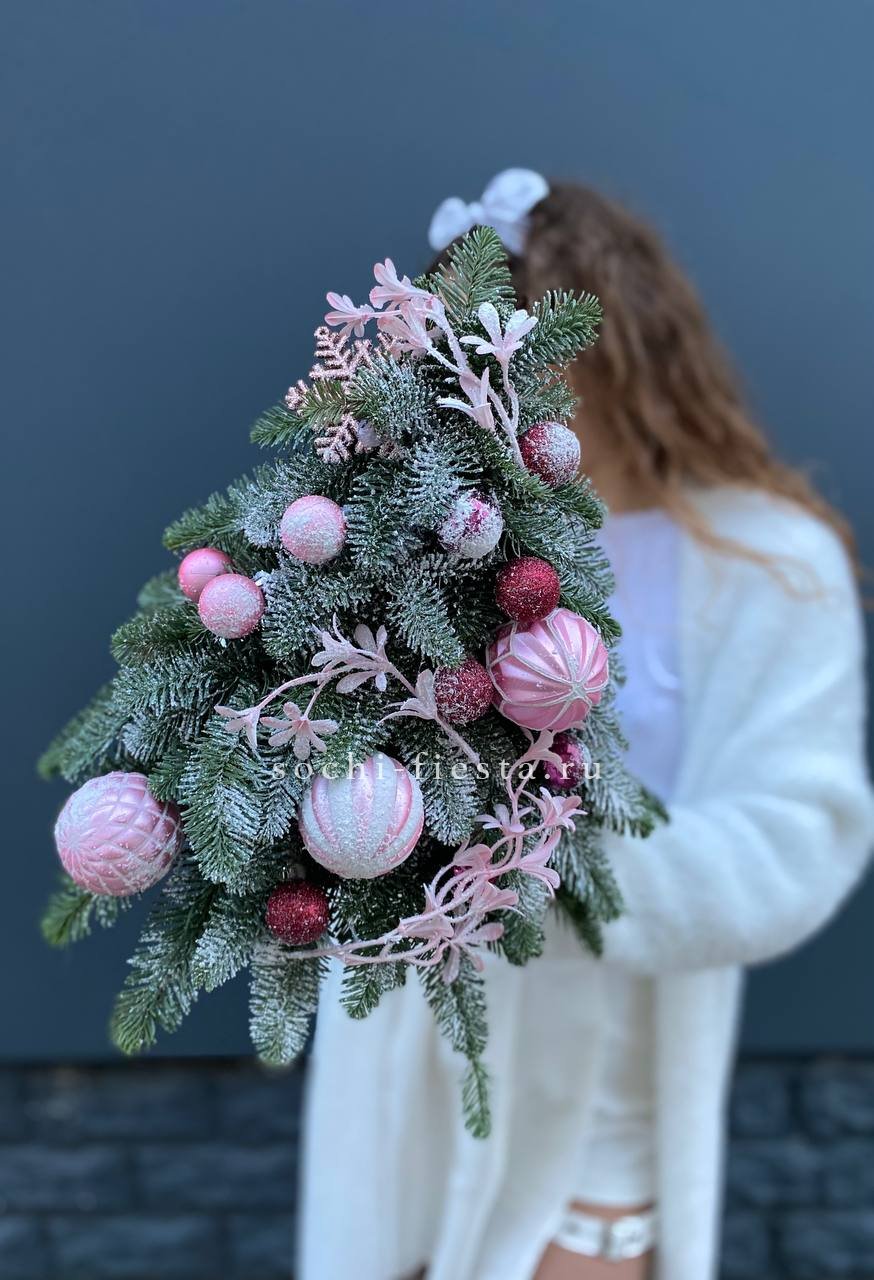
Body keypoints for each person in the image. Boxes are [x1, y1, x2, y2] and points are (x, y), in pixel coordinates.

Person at [298, 172, 874, 1280]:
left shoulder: (765, 564)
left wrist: (534, 858)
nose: (508, 385)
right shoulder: (422, 542)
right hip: (408, 1070)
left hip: (604, 1092)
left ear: (629, 348)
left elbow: (796, 836)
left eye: (539, 346)